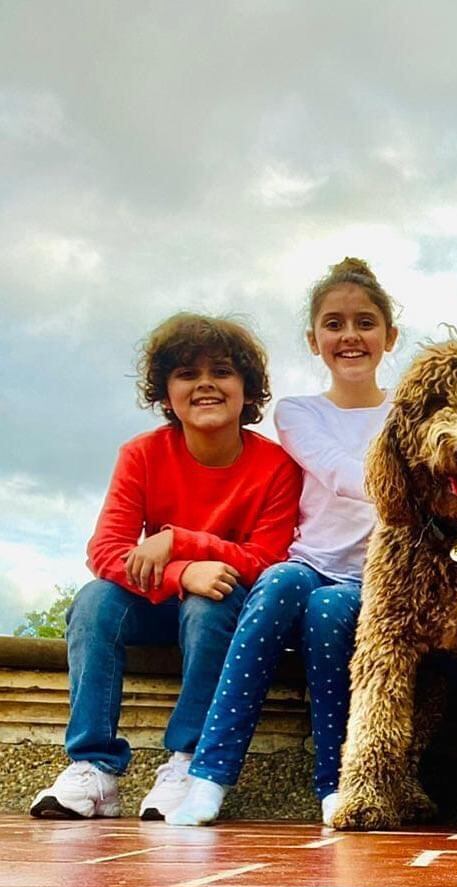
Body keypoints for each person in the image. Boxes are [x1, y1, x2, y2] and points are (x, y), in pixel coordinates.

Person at [30, 315, 301, 821]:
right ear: (166, 392)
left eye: (221, 371)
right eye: (185, 373)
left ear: (247, 389)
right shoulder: (142, 454)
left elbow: (268, 561)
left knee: (210, 599)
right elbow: (106, 551)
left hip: (220, 610)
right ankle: (94, 767)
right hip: (157, 602)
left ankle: (187, 760)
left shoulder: (277, 467)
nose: (204, 384)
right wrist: (181, 573)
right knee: (93, 600)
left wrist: (180, 542)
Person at [164, 258, 399, 827]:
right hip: (312, 562)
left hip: (379, 576)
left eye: (365, 323)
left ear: (389, 337)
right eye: (334, 324)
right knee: (278, 583)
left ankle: (334, 784)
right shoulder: (298, 412)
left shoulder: (408, 410)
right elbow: (337, 471)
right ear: (314, 339)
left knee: (327, 614)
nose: (350, 336)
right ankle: (209, 775)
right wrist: (405, 481)